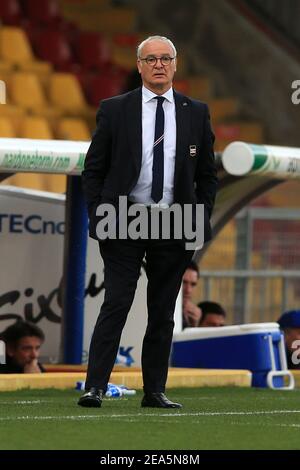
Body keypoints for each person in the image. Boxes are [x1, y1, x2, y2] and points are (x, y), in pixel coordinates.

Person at [79, 35, 218, 409]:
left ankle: (154, 391)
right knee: (118, 302)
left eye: (165, 58)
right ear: (139, 66)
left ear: (176, 64)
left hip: (174, 221)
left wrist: (199, 215)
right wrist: (98, 213)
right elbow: (93, 171)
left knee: (163, 310)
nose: (159, 64)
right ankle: (94, 387)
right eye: (151, 59)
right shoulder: (114, 109)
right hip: (123, 218)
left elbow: (207, 174)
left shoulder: (196, 111)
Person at [182, 261, 202, 328]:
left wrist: (194, 325)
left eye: (193, 284)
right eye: (183, 282)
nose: (188, 290)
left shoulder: (193, 314)